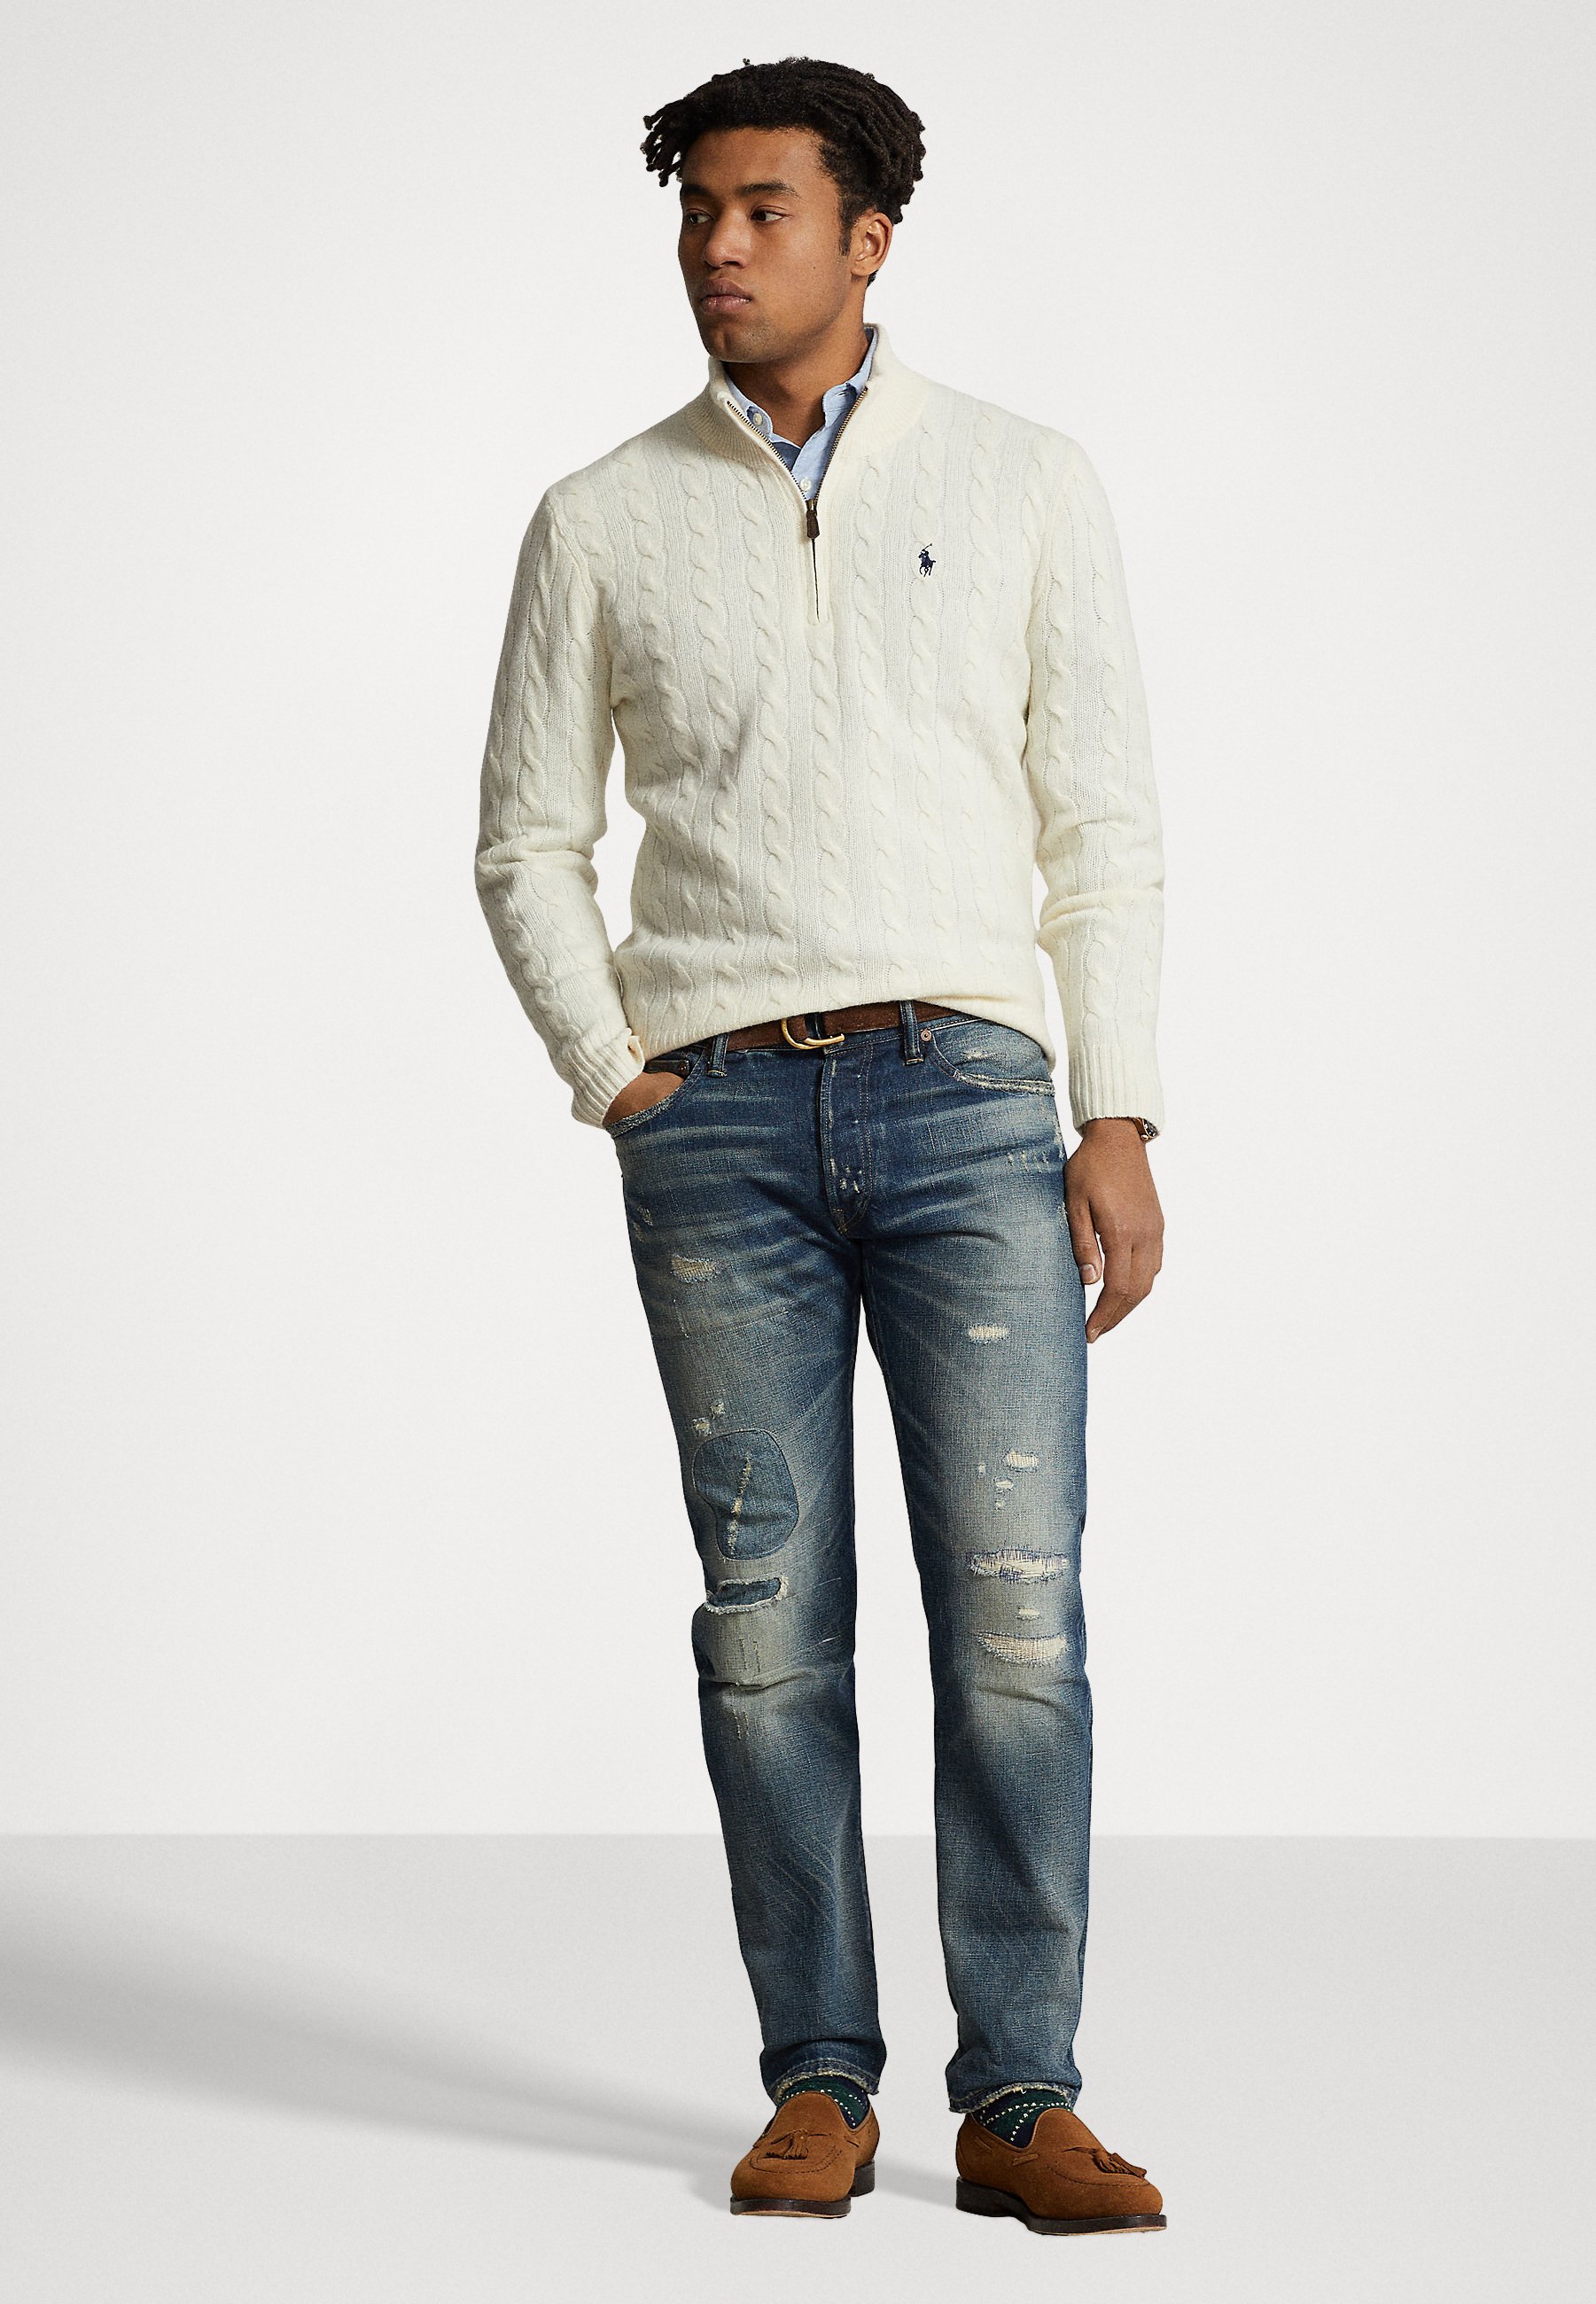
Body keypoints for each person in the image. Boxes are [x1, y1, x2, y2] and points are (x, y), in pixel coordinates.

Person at [475, 53, 1168, 2237]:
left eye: (763, 208)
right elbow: (524, 838)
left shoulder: (1024, 479)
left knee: (1015, 1614)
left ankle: (1023, 2094)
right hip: (721, 1127)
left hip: (969, 1098)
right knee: (767, 1621)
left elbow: (1101, 822)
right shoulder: (600, 515)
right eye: (696, 208)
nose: (717, 244)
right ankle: (818, 2079)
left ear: (870, 237)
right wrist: (614, 1070)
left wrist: (1116, 1105)